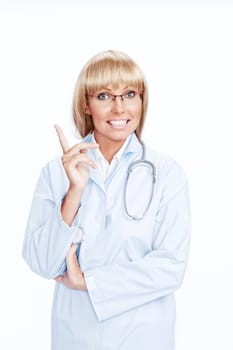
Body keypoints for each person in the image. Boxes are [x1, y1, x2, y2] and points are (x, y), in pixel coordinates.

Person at [22, 49, 191, 350]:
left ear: (142, 101)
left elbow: (170, 267)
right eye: (104, 96)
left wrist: (90, 282)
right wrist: (74, 191)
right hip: (76, 335)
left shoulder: (166, 173)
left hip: (145, 337)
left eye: (129, 94)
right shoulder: (56, 173)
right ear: (86, 105)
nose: (118, 108)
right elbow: (42, 263)